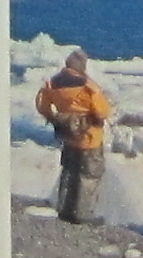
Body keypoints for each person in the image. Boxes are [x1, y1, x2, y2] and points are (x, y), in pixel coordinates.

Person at [37, 50, 114, 222]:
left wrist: (54, 118)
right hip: (90, 137)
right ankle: (83, 215)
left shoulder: (52, 83)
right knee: (89, 176)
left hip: (68, 136)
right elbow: (103, 112)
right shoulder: (88, 86)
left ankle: (65, 211)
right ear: (82, 66)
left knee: (69, 172)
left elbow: (42, 105)